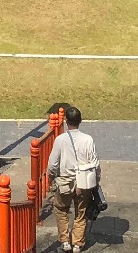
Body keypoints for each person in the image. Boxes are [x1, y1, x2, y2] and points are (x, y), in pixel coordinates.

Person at [47, 107, 100, 253]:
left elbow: (52, 163)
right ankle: (77, 243)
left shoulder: (60, 140)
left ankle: (64, 241)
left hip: (64, 181)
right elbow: (95, 163)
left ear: (66, 121)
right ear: (80, 121)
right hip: (83, 182)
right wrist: (97, 179)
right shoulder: (88, 140)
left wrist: (51, 176)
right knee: (81, 213)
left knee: (61, 210)